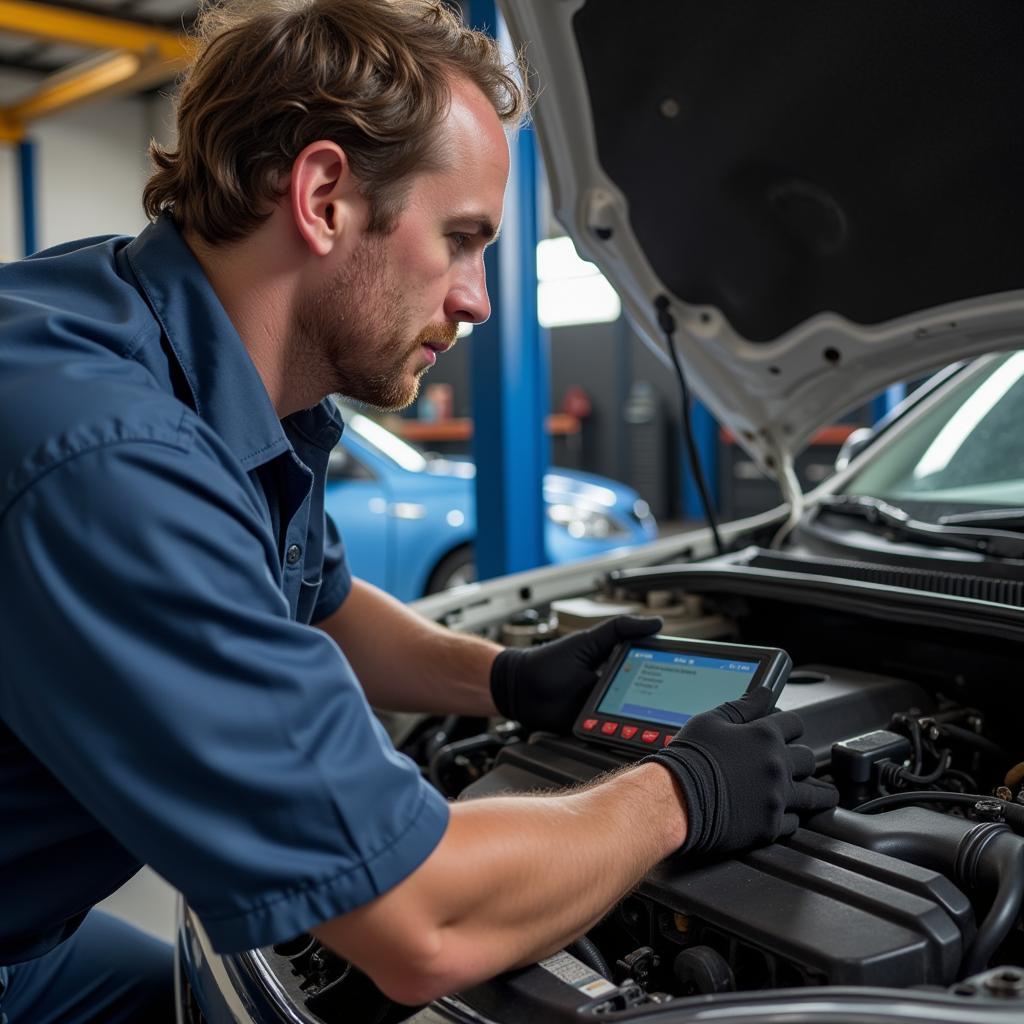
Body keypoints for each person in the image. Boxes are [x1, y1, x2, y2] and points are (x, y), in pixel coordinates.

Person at [0, 0, 838, 1019]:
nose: (479, 297)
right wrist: (680, 796)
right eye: (461, 238)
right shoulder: (109, 454)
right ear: (321, 198)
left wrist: (508, 680)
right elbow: (417, 922)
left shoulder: (154, 331)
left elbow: (317, 604)